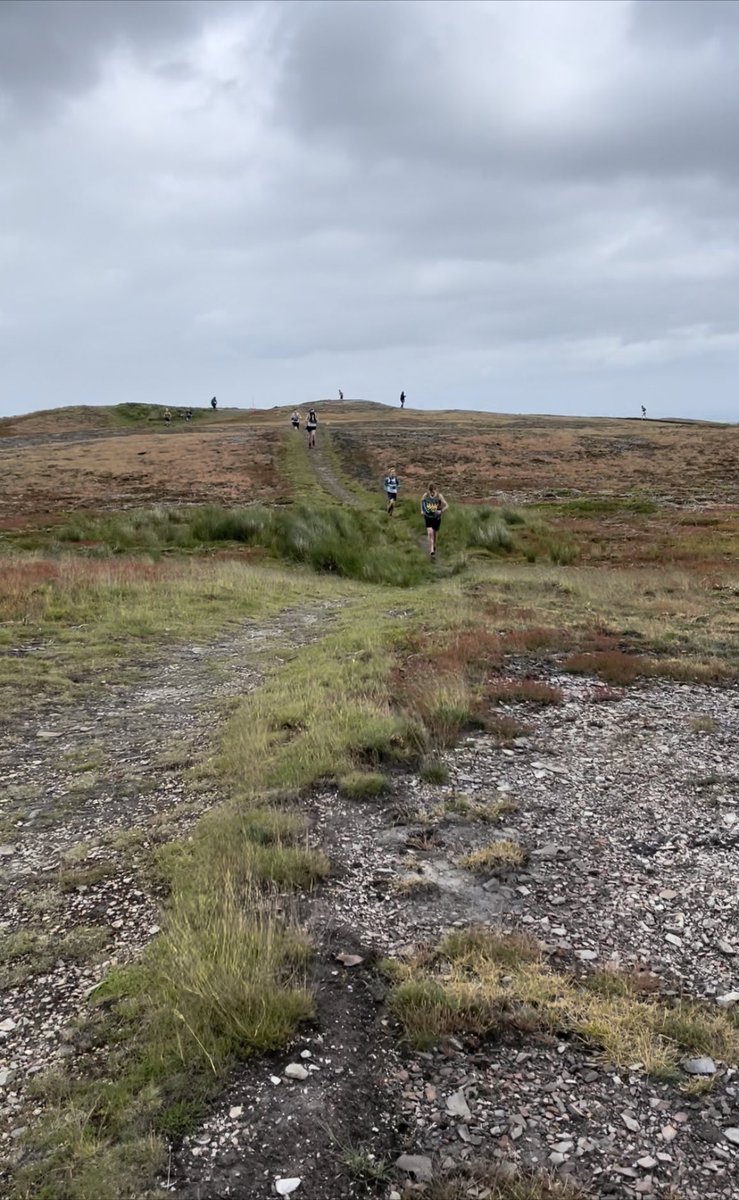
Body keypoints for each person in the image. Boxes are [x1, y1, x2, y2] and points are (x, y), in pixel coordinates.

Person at [421, 484, 448, 558]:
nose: (432, 493)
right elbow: (422, 502)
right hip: (428, 517)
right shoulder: (426, 495)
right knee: (430, 532)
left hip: (436, 518)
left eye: (433, 491)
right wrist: (422, 510)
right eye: (430, 492)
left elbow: (447, 505)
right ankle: (431, 550)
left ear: (436, 490)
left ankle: (434, 545)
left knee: (435, 533)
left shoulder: (439, 496)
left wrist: (441, 511)